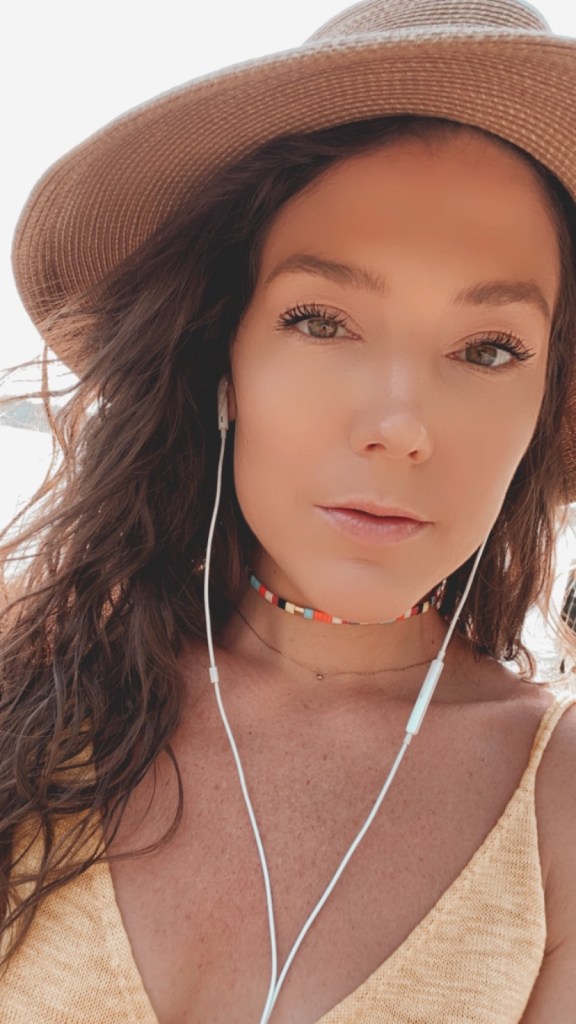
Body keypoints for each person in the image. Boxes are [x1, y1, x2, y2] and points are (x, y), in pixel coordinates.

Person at [1, 0, 575, 1021]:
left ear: (545, 404)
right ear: (223, 353)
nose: (400, 426)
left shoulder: (558, 809)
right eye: (323, 321)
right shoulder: (25, 686)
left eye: (489, 348)